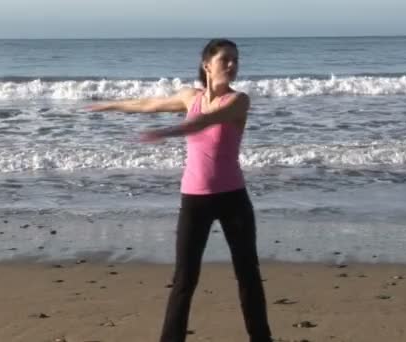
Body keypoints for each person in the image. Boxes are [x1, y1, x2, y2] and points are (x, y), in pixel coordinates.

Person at [87, 39, 273, 342]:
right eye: (225, 59)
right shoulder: (191, 97)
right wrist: (112, 104)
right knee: (184, 278)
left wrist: (172, 130)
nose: (232, 65)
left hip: (233, 198)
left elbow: (207, 120)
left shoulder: (239, 101)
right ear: (207, 65)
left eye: (235, 60)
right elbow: (150, 104)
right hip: (195, 200)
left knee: (248, 274)